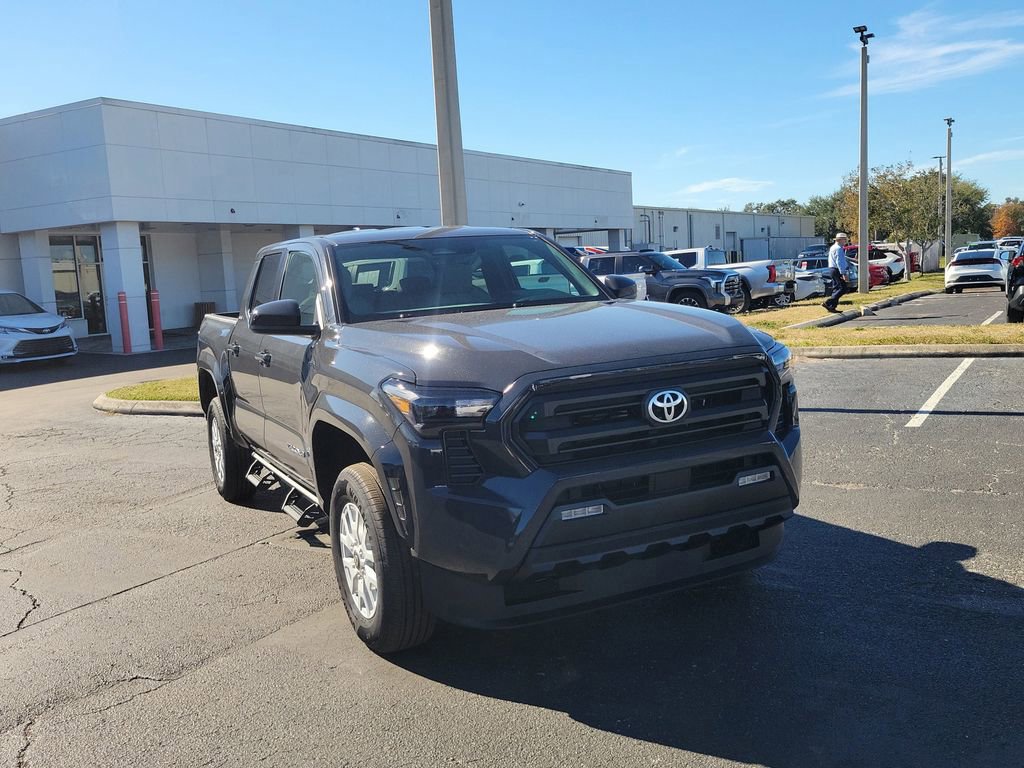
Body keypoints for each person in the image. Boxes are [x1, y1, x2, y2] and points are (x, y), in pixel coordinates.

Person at [823, 233, 850, 312]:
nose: (845, 241)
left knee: (837, 288)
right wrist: (843, 273)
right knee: (843, 288)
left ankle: (832, 307)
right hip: (836, 270)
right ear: (840, 240)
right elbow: (839, 262)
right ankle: (828, 302)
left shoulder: (833, 247)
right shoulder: (838, 249)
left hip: (832, 269)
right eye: (844, 240)